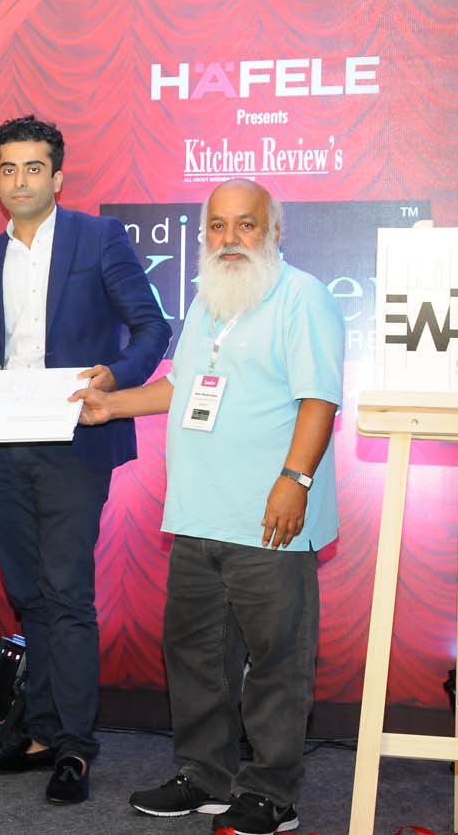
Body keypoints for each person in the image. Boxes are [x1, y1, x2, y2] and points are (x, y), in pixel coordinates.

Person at [75, 178, 343, 835]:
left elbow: (320, 398)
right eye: (217, 226)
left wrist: (294, 480)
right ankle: (205, 778)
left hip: (269, 516)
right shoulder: (208, 301)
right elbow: (181, 385)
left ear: (273, 232)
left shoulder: (301, 296)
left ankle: (272, 793)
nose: (230, 239)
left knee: (276, 660)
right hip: (197, 513)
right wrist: (111, 406)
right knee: (195, 656)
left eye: (245, 224)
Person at [0, 115, 170, 804]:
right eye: (8, 169)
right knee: (27, 593)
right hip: (1, 440)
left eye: (33, 168)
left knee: (67, 592)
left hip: (76, 437)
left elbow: (153, 325)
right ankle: (41, 733)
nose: (20, 180)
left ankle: (75, 744)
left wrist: (116, 375)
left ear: (57, 176)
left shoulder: (98, 237)